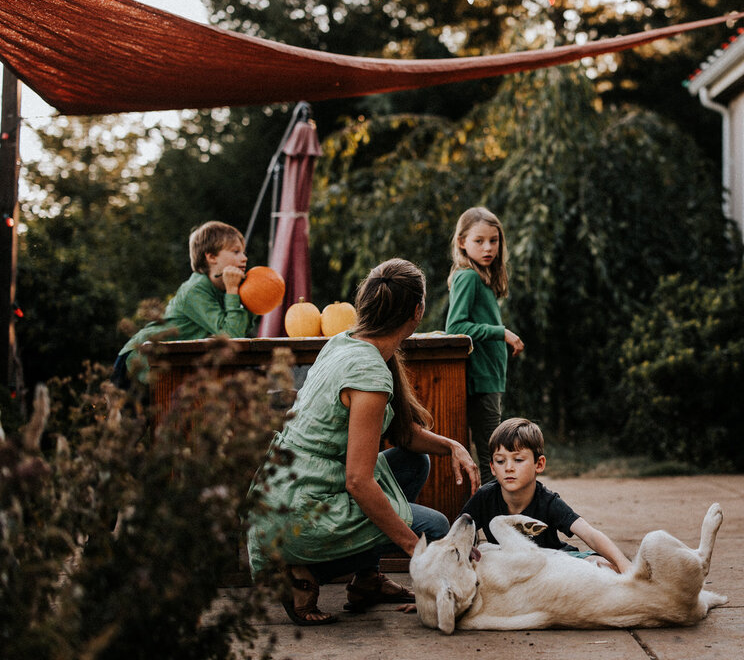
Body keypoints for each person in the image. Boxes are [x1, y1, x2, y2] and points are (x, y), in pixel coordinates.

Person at [246, 258, 479, 626]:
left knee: (414, 462)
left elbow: (401, 434)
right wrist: (413, 548)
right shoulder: (368, 372)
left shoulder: (346, 341)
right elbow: (358, 480)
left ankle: (367, 580)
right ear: (417, 311)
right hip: (299, 507)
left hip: (289, 488)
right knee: (434, 528)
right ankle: (299, 572)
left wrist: (451, 446)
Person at [461, 417, 633, 573]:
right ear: (492, 467)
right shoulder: (485, 497)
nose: (508, 468)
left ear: (539, 464)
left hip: (554, 562)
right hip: (508, 566)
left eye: (518, 460)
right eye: (500, 461)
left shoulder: (548, 500)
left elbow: (589, 534)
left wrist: (624, 565)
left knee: (604, 567)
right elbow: (456, 534)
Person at [112, 221, 256, 388]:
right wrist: (232, 290)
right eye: (236, 251)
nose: (244, 258)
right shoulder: (194, 290)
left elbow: (242, 332)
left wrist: (251, 300)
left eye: (243, 252)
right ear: (211, 257)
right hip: (141, 362)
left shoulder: (225, 289)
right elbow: (232, 338)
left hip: (172, 367)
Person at [446, 207, 524, 484]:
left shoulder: (483, 278)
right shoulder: (468, 276)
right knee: (493, 458)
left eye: (493, 240)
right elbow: (455, 328)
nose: (488, 247)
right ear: (462, 242)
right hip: (479, 381)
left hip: (489, 378)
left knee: (491, 455)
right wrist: (501, 332)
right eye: (479, 241)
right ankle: (493, 520)